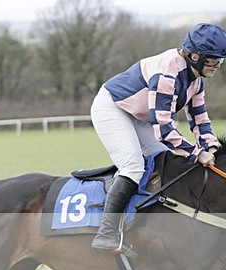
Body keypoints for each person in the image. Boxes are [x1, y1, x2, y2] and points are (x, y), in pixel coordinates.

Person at [90, 23, 226, 256]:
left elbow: (200, 119)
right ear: (195, 56)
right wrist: (196, 153)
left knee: (164, 162)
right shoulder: (168, 74)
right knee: (133, 166)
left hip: (139, 114)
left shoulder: (196, 78)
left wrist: (211, 146)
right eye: (214, 61)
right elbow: (163, 130)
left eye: (220, 61)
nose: (218, 66)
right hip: (113, 108)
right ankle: (106, 233)